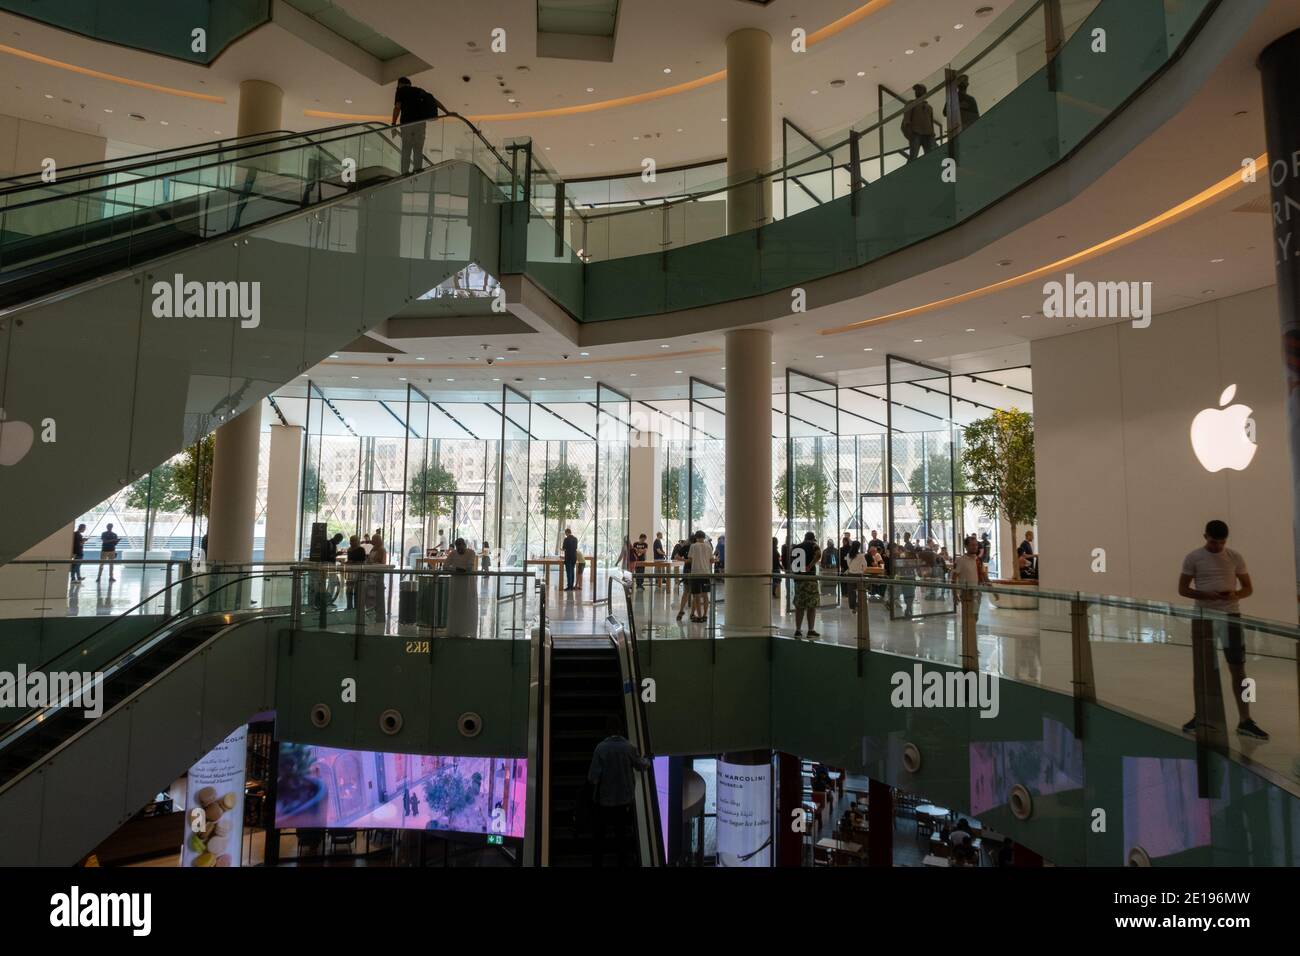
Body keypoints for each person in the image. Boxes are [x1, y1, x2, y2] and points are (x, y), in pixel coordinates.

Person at [1178, 520, 1268, 739]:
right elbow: (1182, 589)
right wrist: (1205, 595)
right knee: (1202, 670)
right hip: (1203, 618)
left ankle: (1245, 719)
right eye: (1213, 542)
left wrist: (1235, 595)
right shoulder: (1193, 557)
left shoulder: (1235, 557)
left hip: (1231, 617)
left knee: (1238, 669)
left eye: (1221, 542)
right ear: (1205, 537)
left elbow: (1248, 588)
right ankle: (1201, 715)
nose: (1217, 546)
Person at [587, 716, 650, 867]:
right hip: (624, 800)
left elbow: (592, 777)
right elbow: (641, 765)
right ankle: (622, 861)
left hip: (604, 801)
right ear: (621, 729)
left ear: (607, 730)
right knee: (621, 834)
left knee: (600, 835)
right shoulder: (628, 747)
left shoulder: (600, 748)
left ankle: (598, 862)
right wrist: (647, 760)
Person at [391, 76, 444, 175]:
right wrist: (447, 111)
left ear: (400, 84)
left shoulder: (400, 91)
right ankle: (418, 171)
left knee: (406, 149)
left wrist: (393, 124)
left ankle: (405, 173)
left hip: (407, 124)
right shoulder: (418, 90)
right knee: (418, 150)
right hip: (420, 124)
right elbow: (433, 100)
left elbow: (397, 107)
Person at [444, 537, 479, 638]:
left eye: (461, 546)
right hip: (456, 582)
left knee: (468, 605)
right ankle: (455, 630)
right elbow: (445, 566)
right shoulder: (453, 553)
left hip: (468, 583)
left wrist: (454, 569)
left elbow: (469, 568)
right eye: (458, 547)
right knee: (456, 605)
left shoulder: (471, 552)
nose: (460, 549)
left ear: (465, 545)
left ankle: (468, 630)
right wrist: (456, 569)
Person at [791, 531, 821, 638]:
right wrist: (810, 565)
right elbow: (819, 554)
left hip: (798, 580)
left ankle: (798, 630)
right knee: (811, 606)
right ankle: (810, 630)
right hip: (810, 580)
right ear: (812, 539)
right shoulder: (813, 545)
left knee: (799, 606)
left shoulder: (795, 547)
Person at [901, 83, 936, 160]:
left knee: (931, 156)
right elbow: (906, 120)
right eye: (916, 90)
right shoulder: (911, 103)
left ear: (924, 92)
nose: (917, 92)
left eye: (919, 90)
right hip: (916, 134)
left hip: (928, 135)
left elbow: (931, 123)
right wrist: (910, 135)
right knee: (913, 157)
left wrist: (932, 134)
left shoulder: (929, 107)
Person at [685, 530, 714, 623]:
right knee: (705, 595)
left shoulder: (693, 546)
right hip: (706, 573)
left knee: (696, 595)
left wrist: (681, 559)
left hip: (696, 573)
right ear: (704, 537)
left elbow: (690, 559)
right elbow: (712, 560)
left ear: (696, 537)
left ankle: (699, 616)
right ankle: (705, 615)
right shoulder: (708, 547)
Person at [345, 535, 367, 610]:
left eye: (353, 541)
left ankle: (356, 607)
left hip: (358, 571)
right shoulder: (349, 549)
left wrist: (353, 562)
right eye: (350, 540)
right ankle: (349, 606)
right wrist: (348, 562)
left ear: (357, 541)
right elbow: (349, 560)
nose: (351, 542)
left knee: (357, 590)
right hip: (350, 571)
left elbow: (363, 561)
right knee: (349, 590)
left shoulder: (361, 549)